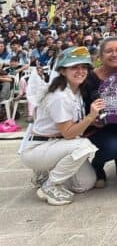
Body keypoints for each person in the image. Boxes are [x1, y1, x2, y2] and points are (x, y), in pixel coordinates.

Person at [20, 47, 101, 205]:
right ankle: (49, 185)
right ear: (63, 71)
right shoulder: (60, 96)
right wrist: (90, 117)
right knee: (83, 146)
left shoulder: (76, 91)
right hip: (38, 148)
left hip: (55, 144)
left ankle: (45, 175)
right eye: (74, 67)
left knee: (85, 183)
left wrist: (91, 119)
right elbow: (69, 134)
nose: (80, 71)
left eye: (83, 67)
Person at [82, 37, 117, 187]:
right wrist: (91, 119)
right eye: (109, 51)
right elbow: (81, 108)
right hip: (101, 131)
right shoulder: (89, 79)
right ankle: (97, 164)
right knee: (115, 147)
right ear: (100, 56)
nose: (115, 54)